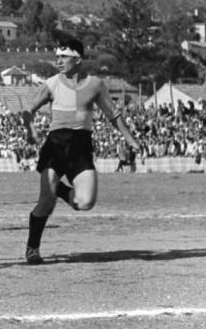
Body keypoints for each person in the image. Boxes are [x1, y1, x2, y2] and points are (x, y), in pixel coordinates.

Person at [20, 38, 140, 265]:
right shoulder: (52, 83)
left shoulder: (95, 84)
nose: (59, 61)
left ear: (78, 59)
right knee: (45, 203)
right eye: (57, 56)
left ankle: (60, 191)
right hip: (56, 144)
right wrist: (31, 127)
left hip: (81, 146)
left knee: (85, 203)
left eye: (64, 57)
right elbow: (28, 109)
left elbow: (113, 114)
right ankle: (32, 248)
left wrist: (130, 139)